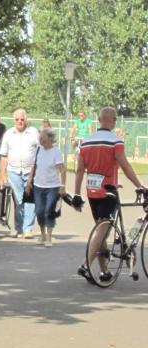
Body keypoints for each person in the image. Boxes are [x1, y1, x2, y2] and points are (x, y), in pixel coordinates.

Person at [74, 106, 144, 281]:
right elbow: (125, 165)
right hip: (109, 191)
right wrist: (139, 185)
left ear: (99, 120)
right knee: (102, 229)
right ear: (112, 120)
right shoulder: (115, 141)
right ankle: (86, 265)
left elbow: (80, 169)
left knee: (101, 229)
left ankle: (104, 271)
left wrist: (76, 193)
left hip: (91, 191)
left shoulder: (86, 141)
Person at [0, 108, 40, 238]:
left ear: (26, 120)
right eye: (17, 119)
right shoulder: (8, 134)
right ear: (14, 120)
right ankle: (19, 228)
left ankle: (28, 229)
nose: (19, 122)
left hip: (30, 172)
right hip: (14, 171)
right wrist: (2, 176)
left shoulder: (33, 132)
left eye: (22, 119)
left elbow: (41, 150)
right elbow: (4, 156)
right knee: (18, 200)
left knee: (30, 200)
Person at [25, 128, 65, 247]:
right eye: (40, 137)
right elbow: (34, 166)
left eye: (42, 137)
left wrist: (62, 186)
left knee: (49, 211)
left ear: (50, 138)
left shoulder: (56, 152)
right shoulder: (38, 150)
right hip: (38, 186)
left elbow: (62, 169)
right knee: (39, 211)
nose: (40, 139)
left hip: (52, 186)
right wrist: (29, 181)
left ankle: (49, 237)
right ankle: (42, 234)